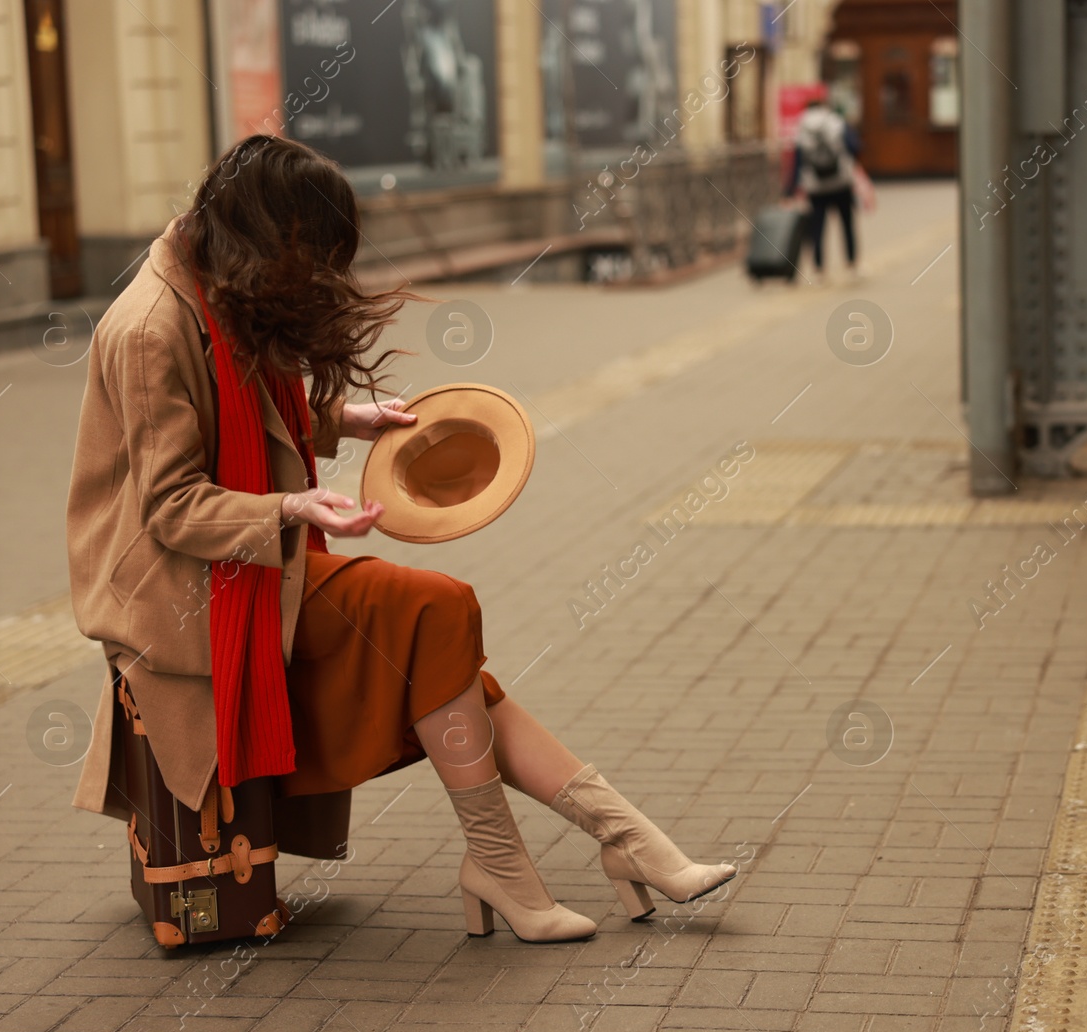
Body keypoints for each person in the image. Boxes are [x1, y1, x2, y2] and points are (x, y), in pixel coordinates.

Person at [66, 135, 734, 943]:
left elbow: (239, 415)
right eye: (308, 256)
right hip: (182, 593)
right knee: (436, 609)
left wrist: (345, 419)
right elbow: (171, 506)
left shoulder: (212, 280)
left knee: (441, 654)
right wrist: (296, 509)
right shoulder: (149, 329)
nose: (315, 278)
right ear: (265, 236)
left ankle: (605, 842)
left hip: (249, 565)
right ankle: (576, 850)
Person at [784, 94, 863, 281]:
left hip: (815, 187)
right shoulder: (836, 122)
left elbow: (797, 161)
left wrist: (789, 191)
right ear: (824, 107)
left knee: (818, 227)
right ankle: (851, 264)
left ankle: (819, 269)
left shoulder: (801, 127)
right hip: (841, 183)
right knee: (847, 224)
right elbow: (855, 146)